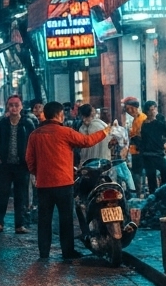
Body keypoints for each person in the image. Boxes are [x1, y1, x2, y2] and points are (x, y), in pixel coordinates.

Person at [26, 102, 111, 260]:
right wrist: (104, 132)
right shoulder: (65, 132)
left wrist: (39, 173)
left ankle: (44, 253)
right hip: (64, 183)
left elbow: (29, 160)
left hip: (43, 184)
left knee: (44, 220)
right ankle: (67, 252)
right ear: (59, 115)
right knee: (66, 219)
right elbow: (86, 141)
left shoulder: (35, 135)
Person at [0, 94, 34, 234]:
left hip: (22, 166)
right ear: (7, 107)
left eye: (16, 105)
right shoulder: (2, 124)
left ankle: (19, 224)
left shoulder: (28, 124)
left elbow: (32, 143)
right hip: (5, 165)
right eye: (11, 105)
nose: (14, 108)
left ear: (21, 106)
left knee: (20, 195)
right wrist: (1, 155)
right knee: (2, 193)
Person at [137, 101, 166, 194]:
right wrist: (161, 119)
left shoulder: (149, 124)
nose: (155, 111)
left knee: (156, 177)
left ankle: (158, 195)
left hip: (152, 154)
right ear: (147, 112)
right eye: (152, 109)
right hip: (153, 154)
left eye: (155, 109)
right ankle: (160, 195)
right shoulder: (150, 124)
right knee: (161, 174)